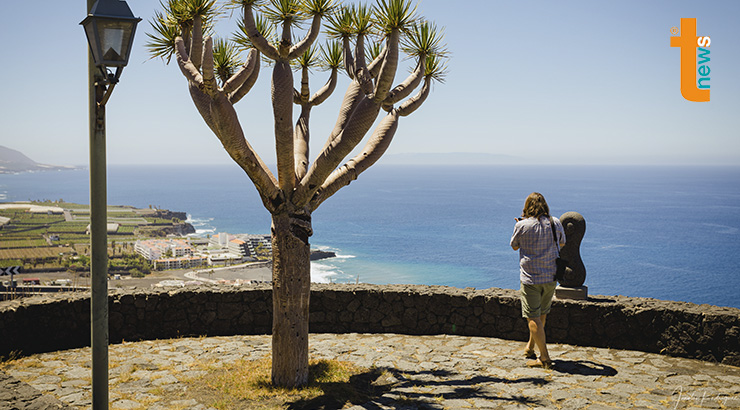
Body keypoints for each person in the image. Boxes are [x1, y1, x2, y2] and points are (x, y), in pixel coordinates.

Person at [510, 192, 565, 368]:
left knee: (532, 317)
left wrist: (521, 226)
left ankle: (545, 358)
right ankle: (530, 347)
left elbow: (514, 246)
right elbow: (562, 243)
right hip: (551, 277)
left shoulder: (523, 225)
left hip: (531, 277)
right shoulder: (555, 222)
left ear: (527, 207)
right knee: (542, 314)